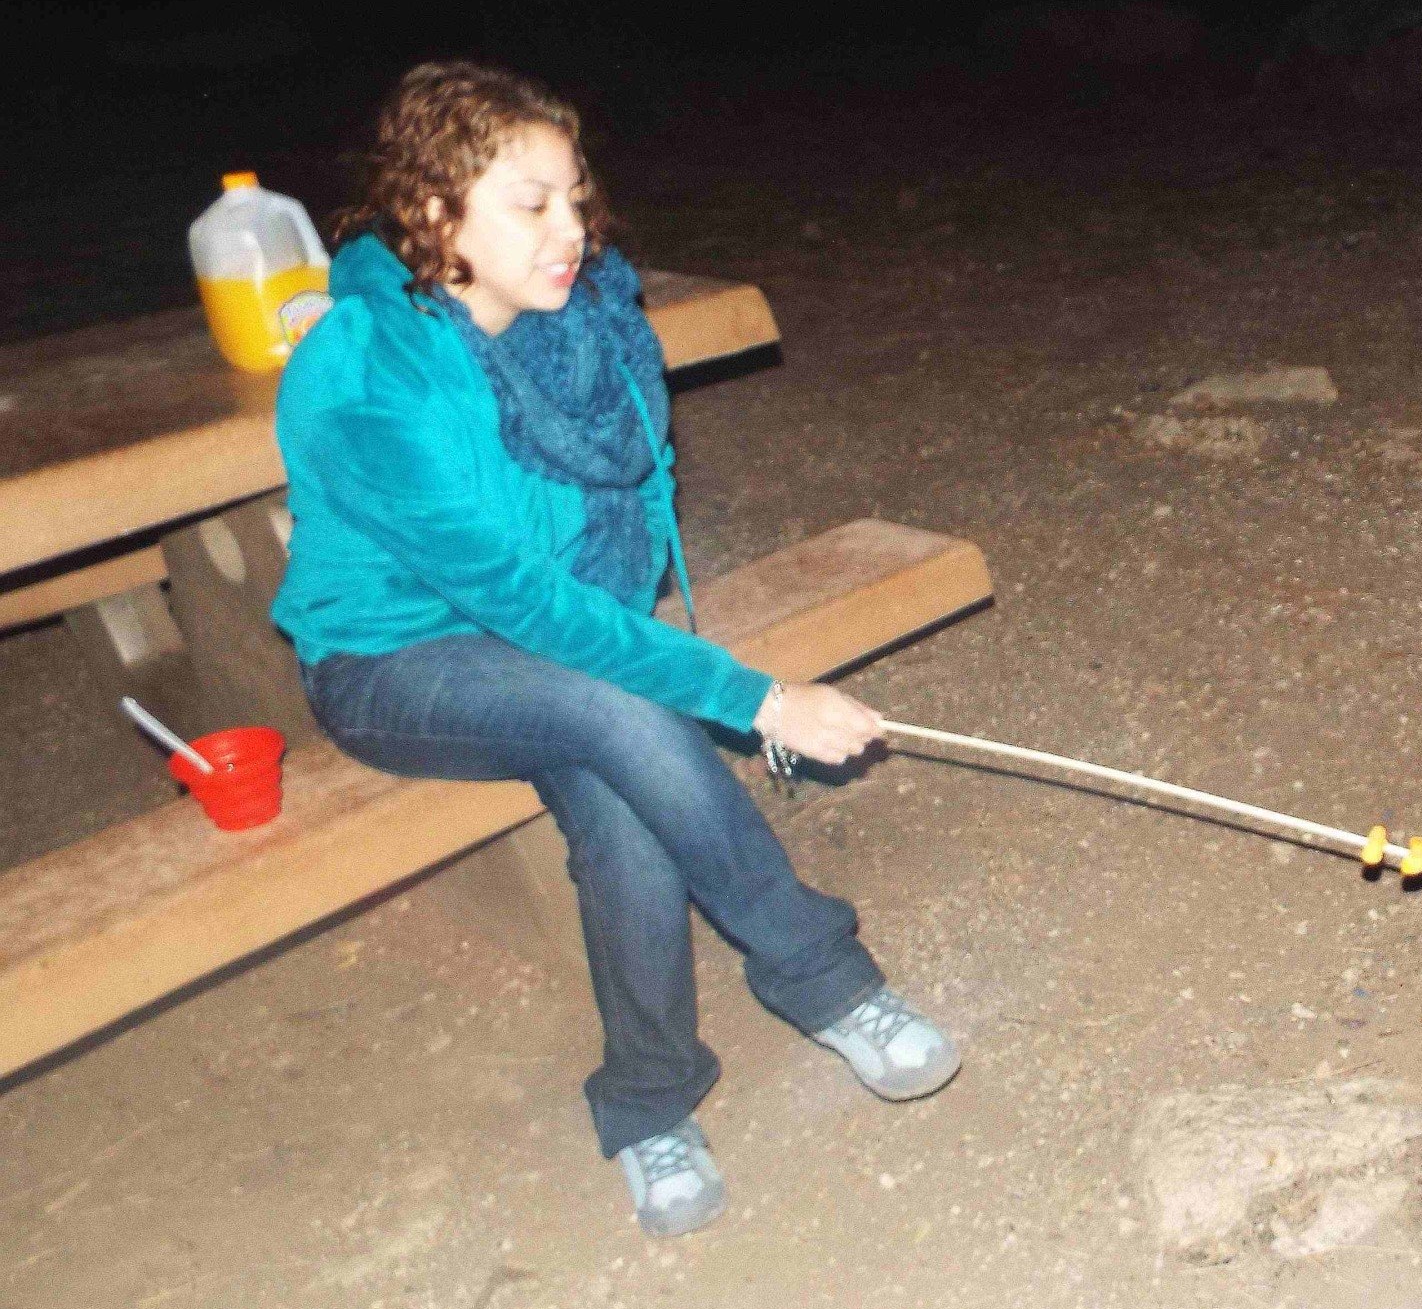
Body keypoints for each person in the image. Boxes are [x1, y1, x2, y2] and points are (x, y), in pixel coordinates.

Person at [271, 60, 957, 1238]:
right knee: (619, 714)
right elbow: (513, 600)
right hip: (394, 666)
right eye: (530, 205)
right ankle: (822, 977)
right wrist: (757, 700)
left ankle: (646, 1106)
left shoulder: (583, 326)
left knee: (628, 798)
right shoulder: (364, 376)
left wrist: (652, 660)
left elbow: (629, 513)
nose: (571, 232)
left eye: (576, 198)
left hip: (549, 644)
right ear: (436, 217)